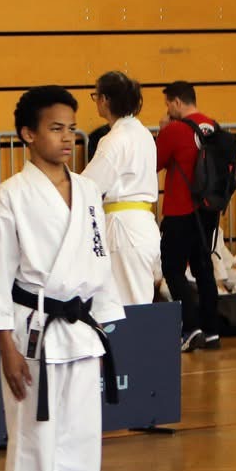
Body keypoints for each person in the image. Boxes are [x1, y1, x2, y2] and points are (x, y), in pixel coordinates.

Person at [0, 86, 121, 471]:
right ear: (28, 135)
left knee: (78, 442)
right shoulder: (8, 197)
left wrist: (102, 326)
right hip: (33, 332)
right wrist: (5, 347)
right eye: (55, 128)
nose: (67, 137)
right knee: (35, 442)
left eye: (71, 128)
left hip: (79, 331)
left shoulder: (88, 192)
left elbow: (99, 263)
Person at [79, 69, 159, 306]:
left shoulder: (115, 139)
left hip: (125, 230)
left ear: (104, 100)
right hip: (143, 225)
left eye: (96, 96)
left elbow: (90, 185)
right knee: (135, 303)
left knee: (128, 306)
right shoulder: (143, 134)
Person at [155, 80, 221, 351]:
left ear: (177, 102)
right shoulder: (214, 127)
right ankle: (212, 331)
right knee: (203, 269)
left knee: (172, 268)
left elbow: (155, 162)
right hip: (207, 211)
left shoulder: (175, 130)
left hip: (180, 210)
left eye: (168, 104)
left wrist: (163, 131)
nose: (167, 110)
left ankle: (191, 328)